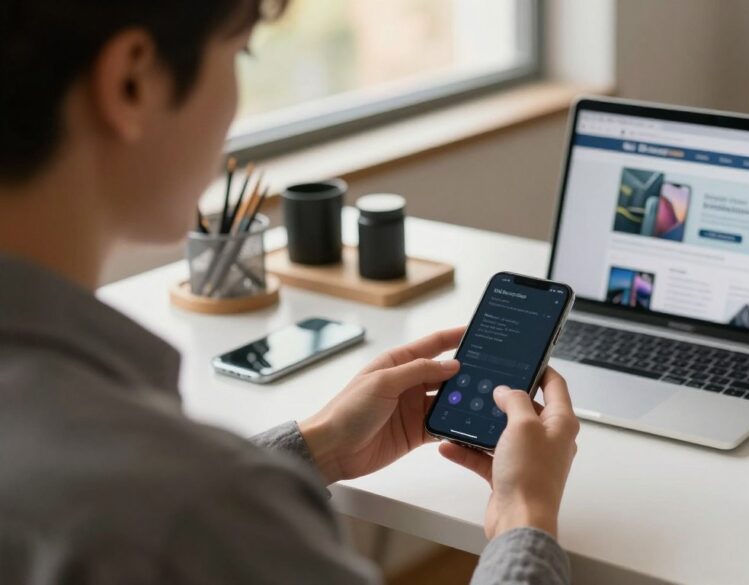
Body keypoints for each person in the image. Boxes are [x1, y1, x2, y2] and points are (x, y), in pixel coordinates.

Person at [0, 1, 580, 583]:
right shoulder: (195, 509)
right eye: (238, 53)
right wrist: (523, 517)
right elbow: (184, 510)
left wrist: (318, 445)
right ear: (132, 82)